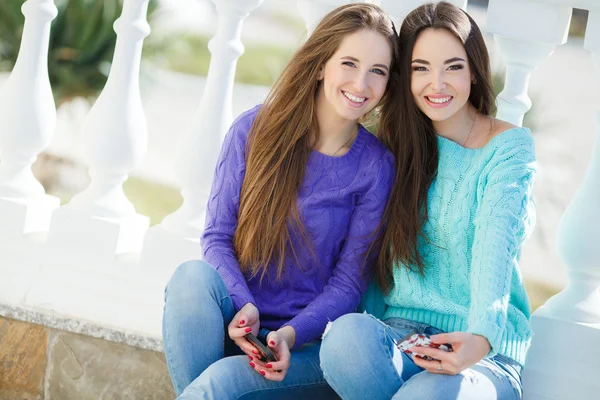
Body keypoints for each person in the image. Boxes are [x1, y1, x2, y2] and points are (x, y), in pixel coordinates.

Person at [162, 3, 398, 399]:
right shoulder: (252, 130)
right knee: (190, 279)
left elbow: (349, 284)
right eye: (350, 63)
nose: (361, 84)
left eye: (378, 71)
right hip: (237, 320)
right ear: (321, 63)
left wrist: (288, 335)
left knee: (217, 387)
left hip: (305, 347)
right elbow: (217, 237)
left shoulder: (375, 167)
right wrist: (244, 306)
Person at [320, 2, 536, 400]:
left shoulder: (509, 148)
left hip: (484, 356)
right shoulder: (394, 145)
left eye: (453, 66)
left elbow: (496, 242)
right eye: (421, 68)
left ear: (474, 70)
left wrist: (482, 336)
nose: (437, 84)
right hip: (402, 339)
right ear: (406, 77)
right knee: (345, 339)